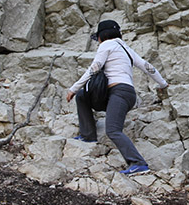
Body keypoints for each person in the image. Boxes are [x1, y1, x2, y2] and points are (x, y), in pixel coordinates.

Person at [66, 20, 168, 175]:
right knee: (82, 96)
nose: (98, 41)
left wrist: (73, 88)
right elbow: (148, 67)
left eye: (98, 38)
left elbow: (94, 69)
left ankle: (138, 163)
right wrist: (162, 83)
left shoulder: (106, 45)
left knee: (113, 130)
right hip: (124, 95)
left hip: (118, 93)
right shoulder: (127, 49)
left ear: (101, 36)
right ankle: (88, 135)